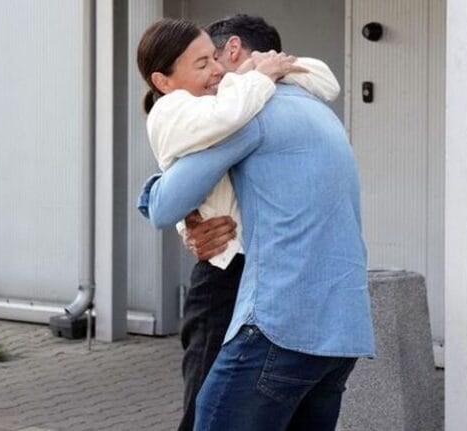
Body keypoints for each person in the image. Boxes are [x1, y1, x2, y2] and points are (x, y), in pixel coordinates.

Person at [137, 14, 375, 431]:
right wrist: (193, 224)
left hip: (279, 322)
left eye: (213, 59)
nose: (215, 73)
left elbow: (162, 205)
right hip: (343, 329)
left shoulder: (246, 115)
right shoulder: (313, 107)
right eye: (202, 64)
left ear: (234, 51)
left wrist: (158, 200)